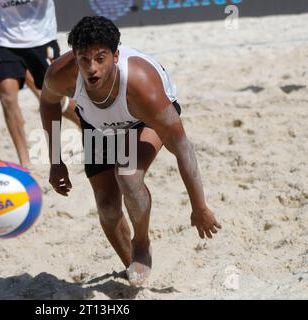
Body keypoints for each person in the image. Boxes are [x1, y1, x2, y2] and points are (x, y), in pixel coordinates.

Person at [40, 16, 222, 286]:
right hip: (98, 123)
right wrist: (56, 161)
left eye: (100, 58)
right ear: (74, 56)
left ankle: (141, 241)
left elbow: (182, 146)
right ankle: (133, 270)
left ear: (115, 55)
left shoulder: (141, 85)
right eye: (84, 59)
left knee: (127, 174)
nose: (91, 68)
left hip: (143, 118)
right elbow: (48, 105)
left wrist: (199, 206)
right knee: (106, 206)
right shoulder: (60, 74)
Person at [0, 0, 79, 168]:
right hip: (7, 42)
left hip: (41, 40)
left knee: (56, 97)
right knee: (6, 96)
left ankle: (85, 125)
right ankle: (24, 162)